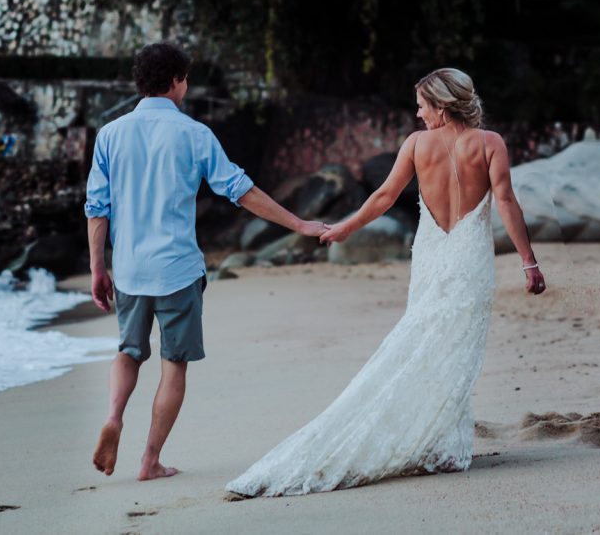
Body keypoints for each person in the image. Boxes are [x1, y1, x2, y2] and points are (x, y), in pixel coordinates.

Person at [227, 68, 547, 497]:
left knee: (428, 341)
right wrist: (528, 263)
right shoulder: (490, 144)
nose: (417, 114)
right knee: (455, 347)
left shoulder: (417, 146)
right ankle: (444, 448)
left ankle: (442, 443)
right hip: (469, 260)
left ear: (442, 105)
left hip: (433, 258)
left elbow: (383, 197)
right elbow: (505, 200)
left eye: (422, 105)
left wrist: (344, 228)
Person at [85, 42, 328, 481]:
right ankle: (149, 460)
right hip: (177, 269)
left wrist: (97, 268)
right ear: (177, 81)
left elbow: (96, 207)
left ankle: (114, 417)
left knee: (128, 351)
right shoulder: (193, 134)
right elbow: (241, 190)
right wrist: (299, 224)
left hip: (131, 269)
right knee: (173, 364)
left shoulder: (110, 135)